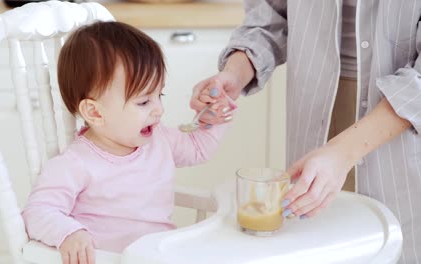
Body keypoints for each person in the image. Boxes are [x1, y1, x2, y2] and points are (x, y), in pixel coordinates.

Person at [190, 1, 421, 263]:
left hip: (399, 122)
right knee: (315, 242)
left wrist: (341, 153)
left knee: (401, 247)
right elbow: (270, 17)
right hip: (316, 108)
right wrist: (235, 73)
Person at [22, 21, 234, 264]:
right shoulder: (75, 164)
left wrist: (216, 116)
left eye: (159, 95)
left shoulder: (159, 139)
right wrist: (69, 233)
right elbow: (38, 211)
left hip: (159, 257)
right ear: (95, 112)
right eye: (144, 102)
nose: (159, 110)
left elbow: (198, 148)